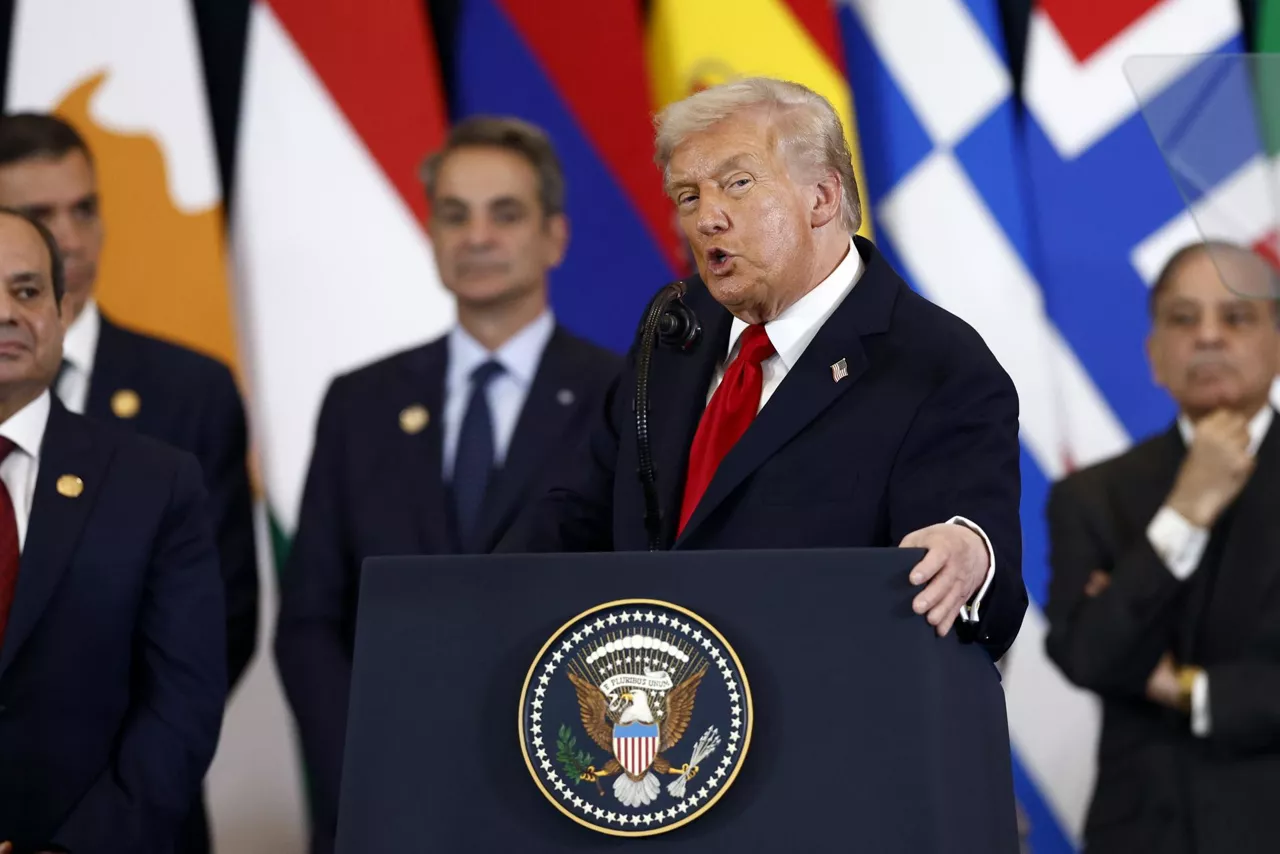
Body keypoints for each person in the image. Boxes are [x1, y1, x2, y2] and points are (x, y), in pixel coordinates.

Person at [501, 77, 1027, 660]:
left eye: (738, 184)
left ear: (822, 198)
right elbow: (575, 514)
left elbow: (979, 573)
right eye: (688, 196)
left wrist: (971, 556)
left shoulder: (935, 363)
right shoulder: (676, 329)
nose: (706, 219)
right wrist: (467, 600)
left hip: (823, 719)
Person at [275, 116, 621, 852]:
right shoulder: (358, 403)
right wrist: (365, 770)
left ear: (554, 236)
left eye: (506, 213)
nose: (477, 237)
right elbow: (310, 620)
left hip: (568, 798)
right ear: (431, 235)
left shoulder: (622, 398)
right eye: (454, 215)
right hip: (382, 802)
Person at [0, 113, 257, 853]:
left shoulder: (189, 398)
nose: (71, 237)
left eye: (84, 209)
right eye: (39, 215)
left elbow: (217, 630)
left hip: (130, 825)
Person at [1045, 241, 1280, 853]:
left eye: (1236, 318)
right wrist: (1184, 514)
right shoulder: (1090, 495)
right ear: (1155, 356)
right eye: (1183, 318)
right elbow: (1088, 655)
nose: (1207, 336)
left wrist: (1189, 690)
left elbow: (1116, 646)